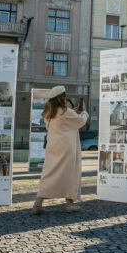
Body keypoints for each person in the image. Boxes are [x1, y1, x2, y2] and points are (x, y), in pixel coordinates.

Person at [32, 86, 88, 214]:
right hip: (67, 148)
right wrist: (84, 112)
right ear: (61, 97)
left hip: (53, 146)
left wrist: (72, 112)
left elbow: (62, 121)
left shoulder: (47, 112)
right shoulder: (66, 112)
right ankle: (69, 204)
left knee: (49, 173)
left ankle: (38, 202)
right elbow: (80, 121)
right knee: (69, 173)